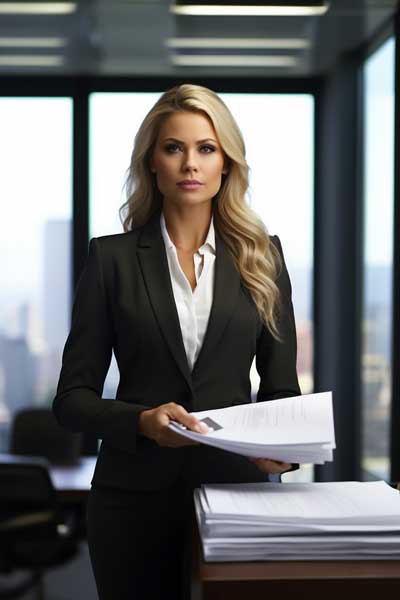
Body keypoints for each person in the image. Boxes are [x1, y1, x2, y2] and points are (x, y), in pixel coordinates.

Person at [52, 83, 301, 600]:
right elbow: (71, 401)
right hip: (131, 502)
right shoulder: (112, 260)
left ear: (226, 164)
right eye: (174, 148)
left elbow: (281, 392)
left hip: (238, 500)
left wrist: (286, 450)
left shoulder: (264, 259)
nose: (191, 163)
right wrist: (140, 422)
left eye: (206, 149)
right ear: (153, 164)